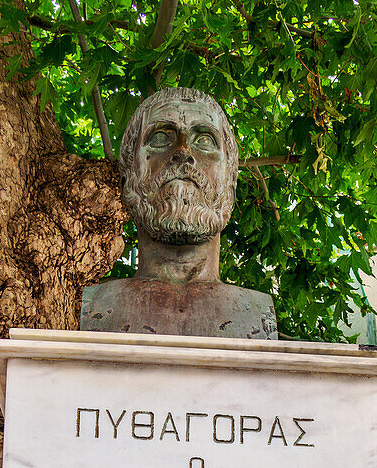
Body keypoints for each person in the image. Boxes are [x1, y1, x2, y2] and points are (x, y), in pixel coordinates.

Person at [81, 87, 277, 339]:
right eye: (161, 138)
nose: (183, 152)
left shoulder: (258, 314)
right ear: (127, 172)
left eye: (205, 140)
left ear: (231, 178)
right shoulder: (93, 305)